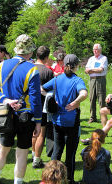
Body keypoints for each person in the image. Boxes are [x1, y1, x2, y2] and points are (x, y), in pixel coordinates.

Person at [0, 34, 42, 184]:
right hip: (25, 116)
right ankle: (18, 182)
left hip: (6, 114)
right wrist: (38, 122)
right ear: (30, 51)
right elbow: (35, 99)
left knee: (3, 148)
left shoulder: (1, 65)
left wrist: (6, 100)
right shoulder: (32, 69)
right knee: (22, 153)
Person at [42, 54, 88, 184]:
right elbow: (84, 93)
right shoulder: (77, 80)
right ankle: (69, 180)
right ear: (76, 66)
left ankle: (49, 178)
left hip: (57, 121)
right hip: (71, 122)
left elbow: (42, 89)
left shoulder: (57, 79)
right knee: (70, 153)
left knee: (57, 151)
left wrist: (51, 97)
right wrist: (76, 102)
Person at [32, 46, 54, 168]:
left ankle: (33, 153)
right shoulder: (48, 72)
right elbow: (51, 91)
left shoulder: (29, 69)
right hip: (43, 106)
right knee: (41, 132)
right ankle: (37, 159)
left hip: (31, 105)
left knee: (33, 132)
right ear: (46, 57)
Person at [85, 44, 108, 123]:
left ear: (100, 50)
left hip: (100, 80)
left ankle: (103, 117)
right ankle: (92, 117)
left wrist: (91, 70)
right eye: (94, 49)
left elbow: (100, 70)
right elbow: (86, 70)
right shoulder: (91, 59)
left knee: (101, 99)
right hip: (92, 80)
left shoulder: (103, 58)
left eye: (96, 49)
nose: (95, 51)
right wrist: (92, 70)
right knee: (92, 98)